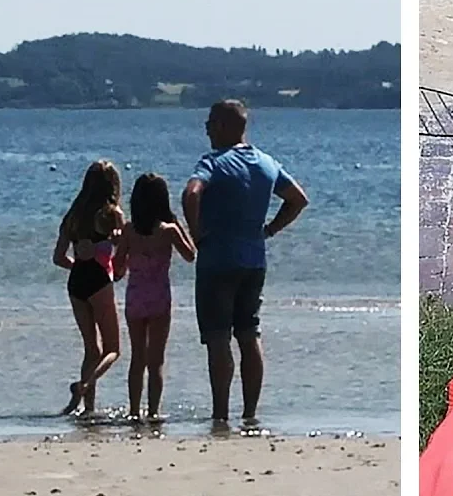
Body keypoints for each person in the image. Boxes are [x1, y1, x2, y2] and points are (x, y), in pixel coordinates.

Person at [182, 99, 310, 424]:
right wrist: (269, 230)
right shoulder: (266, 163)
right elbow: (298, 199)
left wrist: (197, 235)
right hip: (253, 260)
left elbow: (191, 193)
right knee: (249, 333)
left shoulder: (213, 162)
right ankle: (250, 413)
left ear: (225, 126)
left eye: (211, 122)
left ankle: (221, 413)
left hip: (217, 261)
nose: (206, 128)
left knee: (217, 338)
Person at [113, 173, 195, 420]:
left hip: (135, 297)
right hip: (160, 297)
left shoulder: (128, 231)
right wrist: (178, 224)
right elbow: (191, 255)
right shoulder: (168, 231)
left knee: (137, 357)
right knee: (156, 359)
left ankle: (135, 411)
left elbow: (117, 269)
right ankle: (154, 411)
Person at [53, 160, 126, 416]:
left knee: (91, 348)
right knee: (113, 348)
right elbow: (121, 252)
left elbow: (58, 257)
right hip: (98, 280)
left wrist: (79, 263)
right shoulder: (112, 213)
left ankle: (86, 408)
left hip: (76, 282)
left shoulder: (73, 215)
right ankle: (84, 387)